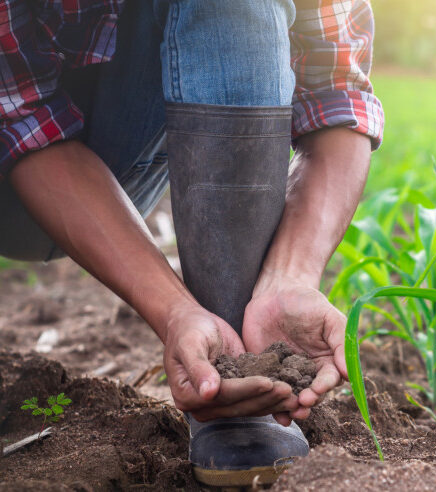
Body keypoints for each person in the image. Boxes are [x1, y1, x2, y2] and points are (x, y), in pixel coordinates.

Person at [0, 0, 383, 487]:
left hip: (118, 150)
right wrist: (170, 308)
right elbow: (21, 123)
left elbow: (338, 94)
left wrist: (291, 275)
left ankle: (232, 377)